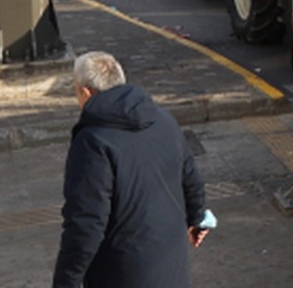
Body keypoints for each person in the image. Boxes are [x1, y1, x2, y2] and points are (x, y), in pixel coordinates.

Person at [53, 51, 209, 287]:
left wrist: (67, 281)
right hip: (172, 264)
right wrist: (197, 219)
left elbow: (87, 222)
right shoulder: (164, 119)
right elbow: (191, 179)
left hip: (122, 273)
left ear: (85, 92)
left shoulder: (93, 141)